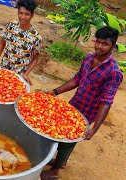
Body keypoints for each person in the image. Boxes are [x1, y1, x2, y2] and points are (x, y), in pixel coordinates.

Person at [41, 26, 123, 180]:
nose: (99, 46)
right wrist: (55, 91)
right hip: (74, 105)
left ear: (113, 46)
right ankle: (61, 161)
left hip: (87, 113)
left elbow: (106, 102)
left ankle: (55, 170)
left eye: (104, 44)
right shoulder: (89, 58)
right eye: (97, 42)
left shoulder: (114, 72)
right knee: (60, 133)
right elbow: (77, 79)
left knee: (68, 140)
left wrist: (94, 129)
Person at [0, 0, 42, 85]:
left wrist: (26, 74)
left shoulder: (36, 37)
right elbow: (2, 43)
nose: (23, 17)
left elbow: (35, 58)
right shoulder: (11, 25)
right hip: (3, 69)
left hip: (18, 76)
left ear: (32, 16)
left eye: (26, 14)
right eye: (20, 13)